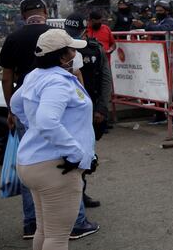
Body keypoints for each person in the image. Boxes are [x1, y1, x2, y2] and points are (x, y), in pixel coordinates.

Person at [0, 0, 99, 240]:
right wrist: (76, 154)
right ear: (62, 55)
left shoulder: (35, 75)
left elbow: (18, 103)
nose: (75, 55)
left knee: (44, 231)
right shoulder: (57, 82)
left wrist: (31, 127)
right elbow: (47, 121)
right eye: (71, 51)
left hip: (33, 161)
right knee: (56, 237)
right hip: (55, 165)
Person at [65, 12, 113, 208]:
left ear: (84, 32)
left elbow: (105, 79)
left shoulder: (95, 49)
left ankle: (80, 194)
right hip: (66, 112)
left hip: (90, 110)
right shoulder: (58, 49)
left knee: (85, 155)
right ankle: (70, 197)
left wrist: (101, 108)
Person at [133, 0, 173, 124]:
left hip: (168, 59)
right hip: (157, 60)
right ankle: (160, 115)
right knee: (157, 86)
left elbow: (162, 30)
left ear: (167, 10)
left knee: (170, 88)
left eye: (161, 10)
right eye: (157, 10)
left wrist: (145, 25)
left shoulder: (170, 20)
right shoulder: (157, 20)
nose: (158, 12)